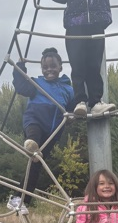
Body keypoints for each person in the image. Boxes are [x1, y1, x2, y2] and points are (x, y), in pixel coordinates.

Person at [7, 47, 74, 213]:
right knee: (33, 142)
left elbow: (72, 109)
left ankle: (19, 200)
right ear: (42, 69)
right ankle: (31, 144)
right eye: (45, 67)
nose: (49, 70)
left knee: (36, 163)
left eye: (53, 66)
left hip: (53, 131)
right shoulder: (37, 84)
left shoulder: (68, 89)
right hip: (35, 120)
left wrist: (72, 117)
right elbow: (21, 86)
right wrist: (20, 67)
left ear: (60, 67)